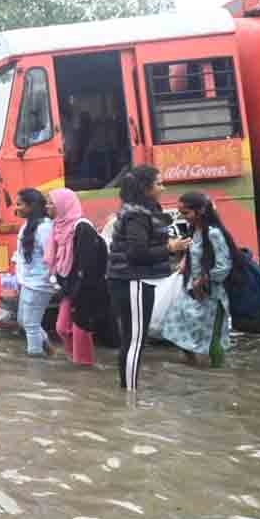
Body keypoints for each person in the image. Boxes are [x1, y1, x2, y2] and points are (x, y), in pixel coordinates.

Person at [107, 165, 190, 390]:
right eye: (159, 184)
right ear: (145, 188)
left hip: (135, 280)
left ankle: (127, 390)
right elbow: (137, 253)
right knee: (134, 340)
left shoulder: (141, 210)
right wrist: (171, 247)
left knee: (135, 338)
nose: (163, 188)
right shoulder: (137, 215)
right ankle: (129, 396)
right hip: (132, 280)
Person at [161, 192, 238, 368]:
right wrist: (185, 262)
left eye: (186, 213)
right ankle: (195, 368)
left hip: (212, 295)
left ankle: (219, 377)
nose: (182, 217)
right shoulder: (193, 231)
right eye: (180, 212)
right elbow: (194, 253)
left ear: (201, 211)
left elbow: (224, 266)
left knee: (213, 339)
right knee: (175, 328)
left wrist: (203, 280)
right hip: (190, 292)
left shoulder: (214, 233)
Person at [46, 188, 109, 366]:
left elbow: (87, 264)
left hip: (85, 289)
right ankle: (74, 360)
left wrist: (78, 290)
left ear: (63, 205)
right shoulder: (58, 227)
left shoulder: (82, 228)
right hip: (69, 288)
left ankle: (84, 367)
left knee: (80, 329)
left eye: (51, 203)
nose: (48, 206)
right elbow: (59, 260)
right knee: (61, 328)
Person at [14, 188, 54, 356]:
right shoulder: (27, 226)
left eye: (20, 204)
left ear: (31, 206)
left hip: (39, 284)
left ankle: (35, 365)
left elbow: (51, 257)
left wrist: (47, 281)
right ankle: (48, 348)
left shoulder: (44, 227)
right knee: (23, 321)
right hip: (27, 282)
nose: (17, 208)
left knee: (30, 325)